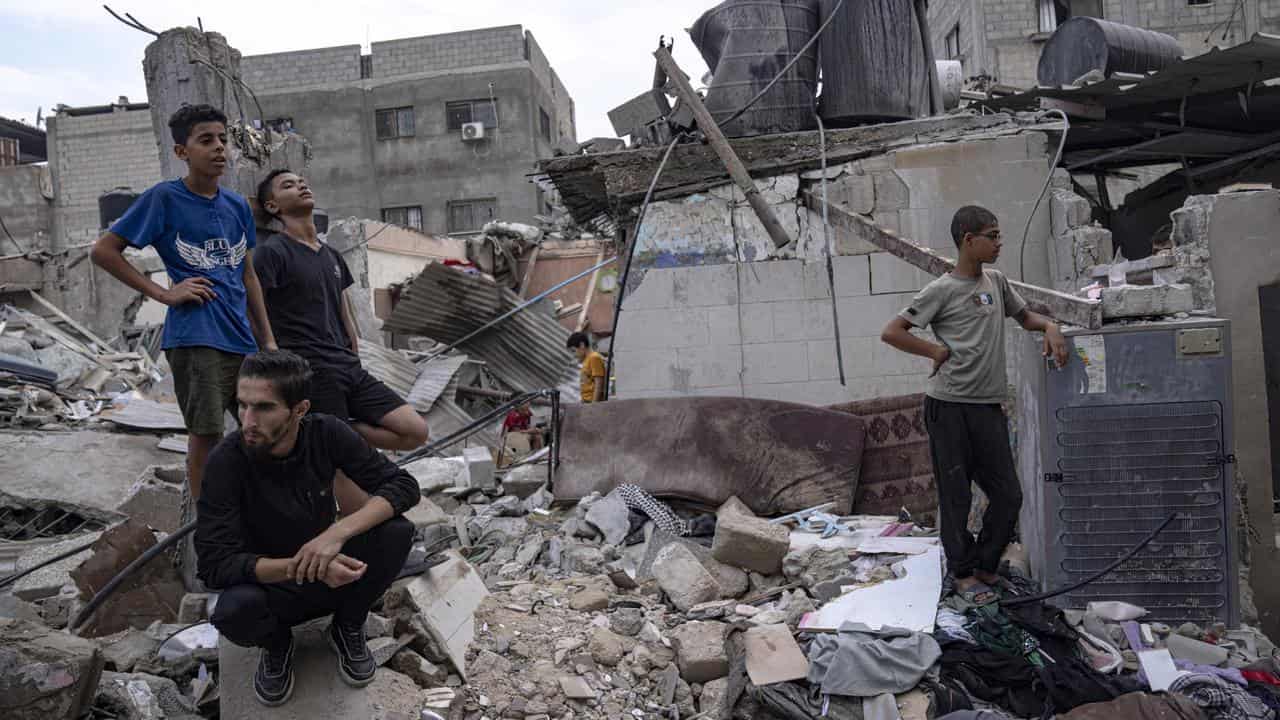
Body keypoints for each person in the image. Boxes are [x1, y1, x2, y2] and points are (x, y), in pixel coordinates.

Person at [195, 350, 418, 707]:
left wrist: (335, 535)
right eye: (242, 405)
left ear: (299, 409)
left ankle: (347, 626)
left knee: (396, 531)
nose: (247, 420)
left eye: (264, 408)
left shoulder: (327, 433)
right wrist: (304, 565)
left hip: (334, 579)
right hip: (273, 589)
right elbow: (213, 565)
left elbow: (403, 485)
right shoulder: (226, 460)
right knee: (232, 611)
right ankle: (277, 644)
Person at [880, 205, 1068, 606]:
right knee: (957, 497)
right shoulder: (941, 290)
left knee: (1008, 495)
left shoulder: (997, 283)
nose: (999, 243)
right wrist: (934, 349)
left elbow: (1025, 317)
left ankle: (986, 565)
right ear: (969, 240)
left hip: (987, 408)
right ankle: (963, 573)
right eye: (993, 235)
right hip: (948, 409)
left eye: (999, 235)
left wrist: (1051, 327)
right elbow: (893, 332)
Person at [91, 104, 276, 500]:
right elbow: (104, 251)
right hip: (196, 337)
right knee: (206, 436)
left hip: (241, 339)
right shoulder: (164, 198)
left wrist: (269, 341)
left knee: (263, 429)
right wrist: (163, 293)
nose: (219, 148)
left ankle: (256, 513)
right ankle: (207, 530)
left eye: (223, 140)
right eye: (206, 140)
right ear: (182, 152)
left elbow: (248, 276)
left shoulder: (237, 206)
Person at [252, 170, 428, 454]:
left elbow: (344, 313)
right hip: (311, 370)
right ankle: (334, 435)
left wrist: (355, 352)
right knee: (336, 459)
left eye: (302, 183)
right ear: (273, 206)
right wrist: (270, 349)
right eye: (288, 185)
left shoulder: (332, 255)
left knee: (415, 431)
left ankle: (342, 428)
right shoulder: (272, 253)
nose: (300, 186)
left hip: (349, 368)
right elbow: (252, 303)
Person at [567, 332, 606, 403]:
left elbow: (599, 383)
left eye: (574, 351)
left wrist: (594, 404)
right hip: (586, 401)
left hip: (592, 402)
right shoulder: (586, 360)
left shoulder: (594, 358)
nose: (574, 355)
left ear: (582, 345)